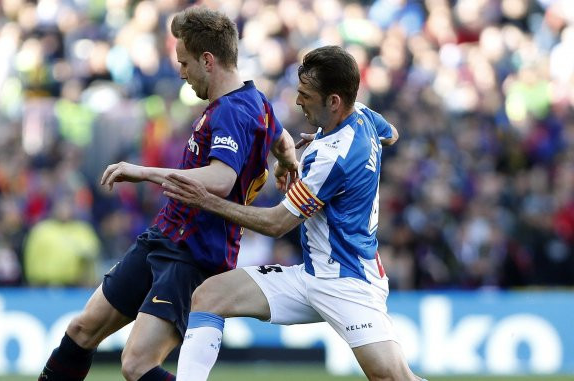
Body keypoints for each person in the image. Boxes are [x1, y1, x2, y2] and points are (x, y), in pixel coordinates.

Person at [38, 6, 298, 381]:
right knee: (82, 330)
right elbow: (284, 141)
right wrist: (286, 164)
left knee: (136, 365)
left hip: (193, 254)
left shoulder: (233, 112)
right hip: (163, 238)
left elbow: (220, 178)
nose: (181, 71)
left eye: (184, 62)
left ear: (208, 60)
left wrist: (144, 172)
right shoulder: (256, 102)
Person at [163, 45, 426, 381]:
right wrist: (322, 135)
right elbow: (391, 135)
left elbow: (276, 224)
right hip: (311, 276)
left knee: (394, 378)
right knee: (209, 296)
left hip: (347, 282)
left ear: (333, 101)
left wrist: (206, 200)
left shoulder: (333, 159)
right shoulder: (361, 115)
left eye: (305, 95)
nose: (298, 101)